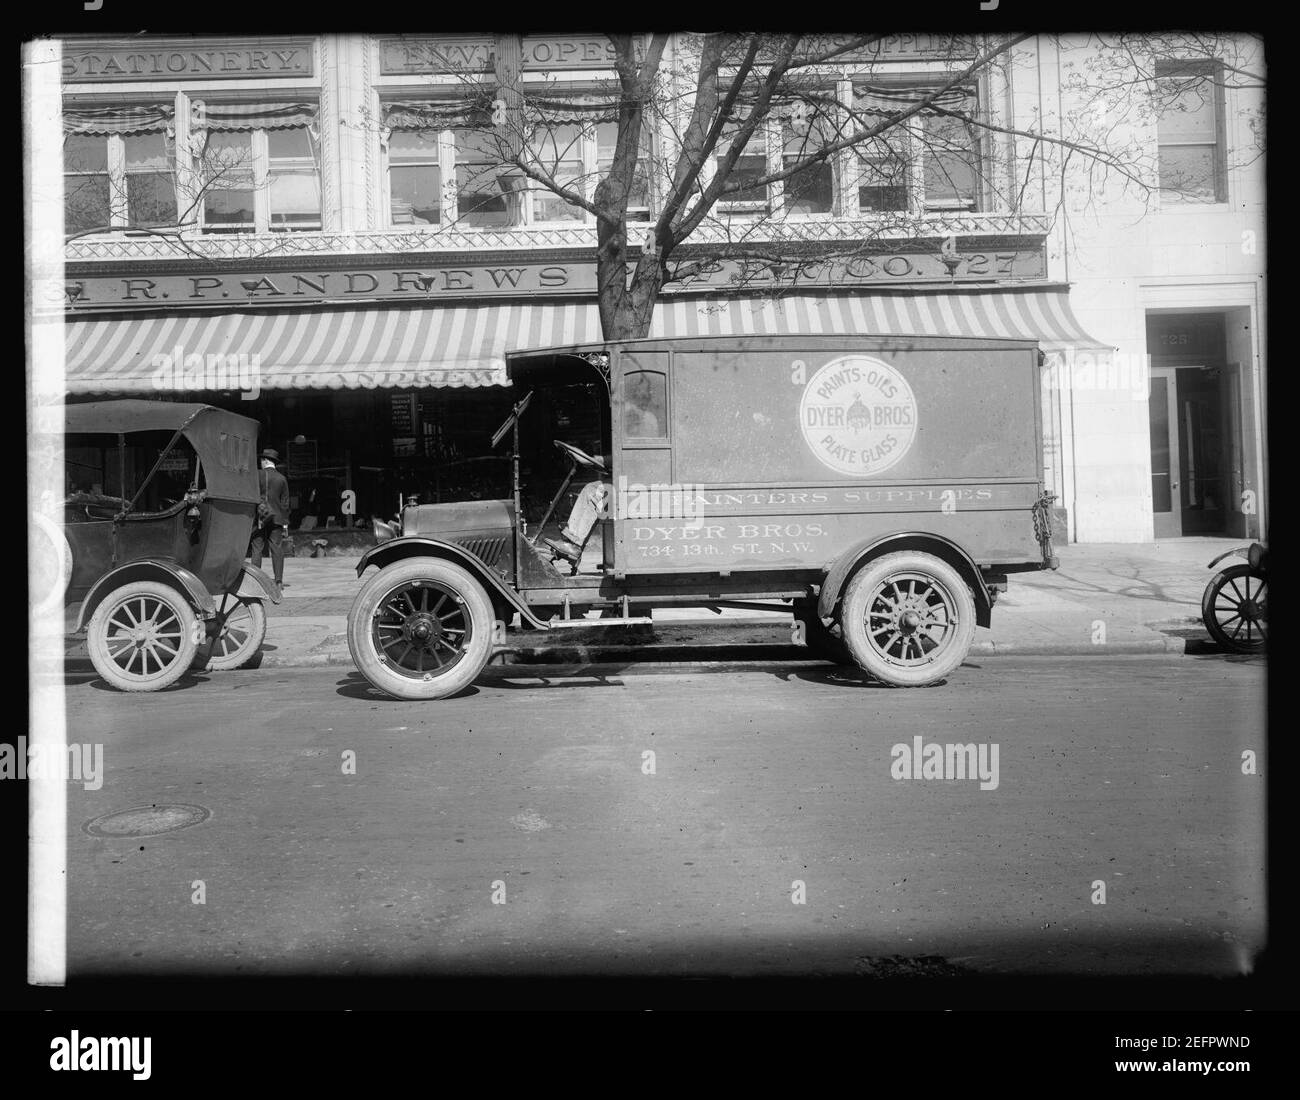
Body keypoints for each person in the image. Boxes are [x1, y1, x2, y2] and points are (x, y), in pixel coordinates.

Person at [250, 447, 291, 589]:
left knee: (257, 548)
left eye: (261, 460)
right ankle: (278, 581)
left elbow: (251, 496)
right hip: (277, 518)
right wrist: (285, 523)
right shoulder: (282, 478)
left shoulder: (256, 475)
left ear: (265, 460)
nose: (260, 463)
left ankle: (255, 581)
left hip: (259, 517)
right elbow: (285, 503)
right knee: (277, 548)